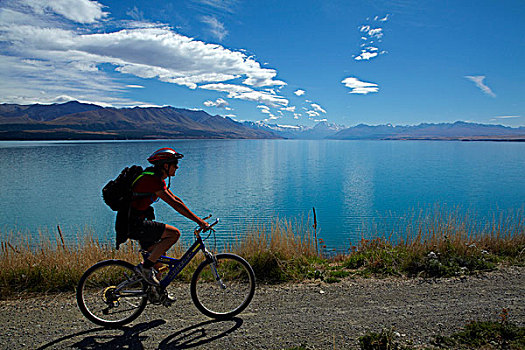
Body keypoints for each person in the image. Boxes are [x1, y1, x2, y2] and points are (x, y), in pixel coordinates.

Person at [115, 147, 209, 285]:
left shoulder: (155, 177)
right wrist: (199, 221)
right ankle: (145, 268)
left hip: (134, 221)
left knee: (158, 261)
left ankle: (156, 291)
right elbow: (174, 205)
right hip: (133, 223)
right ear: (165, 165)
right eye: (175, 164)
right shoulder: (152, 180)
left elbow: (177, 200)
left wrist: (198, 219)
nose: (177, 167)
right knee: (174, 234)